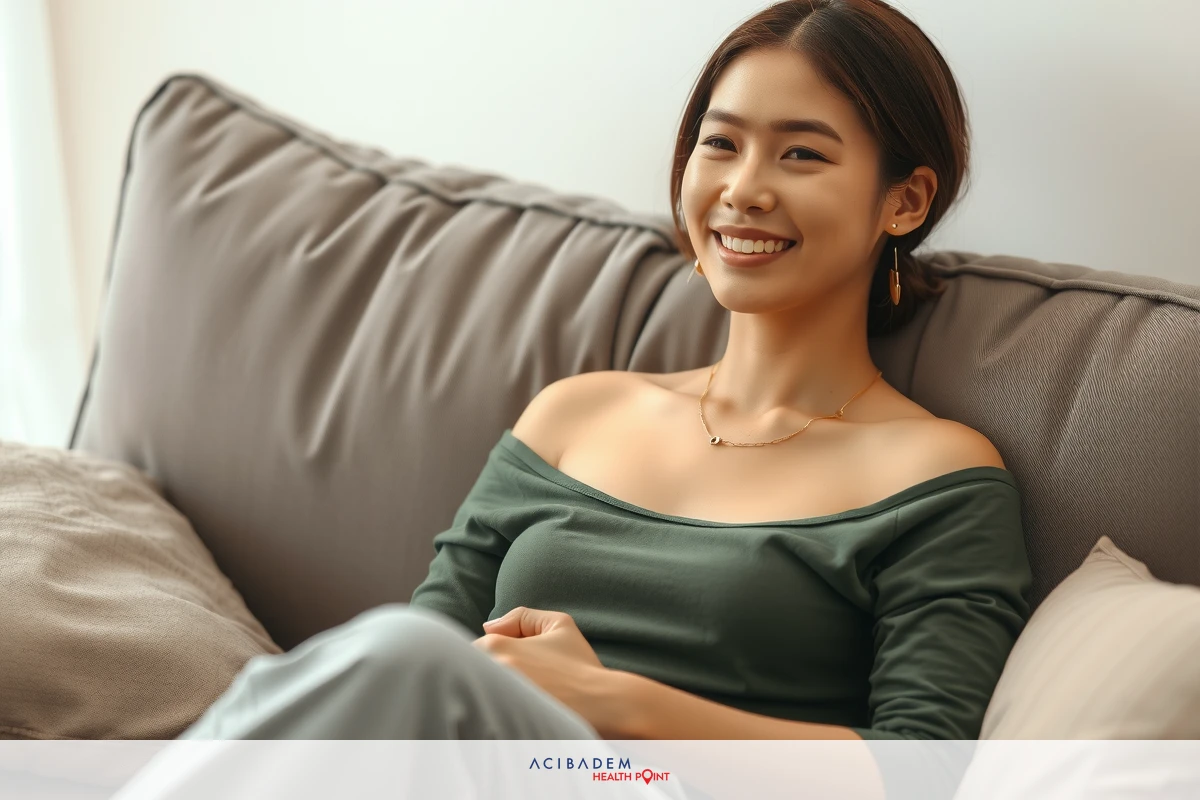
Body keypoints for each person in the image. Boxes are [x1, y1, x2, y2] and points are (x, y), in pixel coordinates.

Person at [115, 2, 1032, 798]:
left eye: (801, 154)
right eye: (720, 143)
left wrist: (611, 700)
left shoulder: (937, 471)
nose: (743, 190)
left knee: (401, 656)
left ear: (904, 201)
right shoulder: (575, 416)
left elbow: (924, 772)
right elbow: (416, 671)